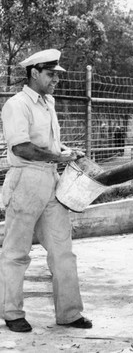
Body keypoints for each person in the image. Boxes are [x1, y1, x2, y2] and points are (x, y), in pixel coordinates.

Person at [0, 49, 92, 333]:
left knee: (63, 251)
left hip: (50, 180)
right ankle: (12, 313)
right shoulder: (17, 105)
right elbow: (21, 147)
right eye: (51, 74)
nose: (56, 80)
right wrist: (59, 157)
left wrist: (66, 151)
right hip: (25, 180)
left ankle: (69, 313)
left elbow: (47, 146)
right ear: (34, 73)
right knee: (16, 252)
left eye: (57, 75)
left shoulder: (46, 103)